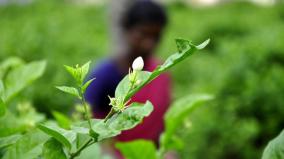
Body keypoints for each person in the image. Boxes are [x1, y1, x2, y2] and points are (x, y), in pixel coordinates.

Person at [85, 1, 171, 157]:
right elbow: (84, 124)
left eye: (156, 36)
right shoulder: (105, 76)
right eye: (143, 34)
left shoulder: (160, 73)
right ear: (127, 30)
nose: (149, 43)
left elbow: (165, 123)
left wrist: (168, 151)